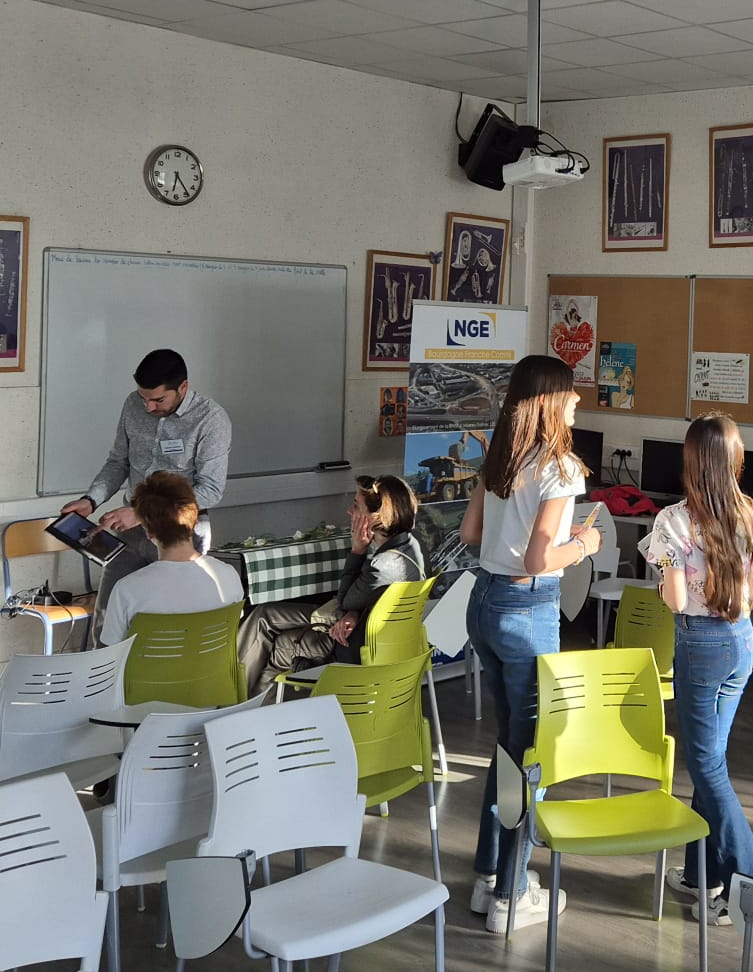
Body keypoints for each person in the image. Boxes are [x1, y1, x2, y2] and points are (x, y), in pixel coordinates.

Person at [460, 354, 600, 933]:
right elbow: (542, 558)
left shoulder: (499, 458)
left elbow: (470, 533)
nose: (578, 401)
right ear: (548, 400)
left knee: (510, 746)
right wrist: (584, 545)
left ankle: (489, 876)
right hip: (528, 609)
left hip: (483, 603)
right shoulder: (561, 467)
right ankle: (512, 897)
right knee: (531, 754)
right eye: (570, 392)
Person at [642, 415, 753, 927]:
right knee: (711, 758)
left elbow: (676, 600)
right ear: (735, 460)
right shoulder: (752, 513)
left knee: (706, 767)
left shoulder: (673, 521)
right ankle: (704, 876)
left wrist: (663, 577)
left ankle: (751, 886)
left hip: (699, 645)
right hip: (742, 641)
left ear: (691, 461)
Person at [61, 348, 232, 607]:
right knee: (109, 610)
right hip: (130, 532)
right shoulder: (133, 404)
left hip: (180, 534)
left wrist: (143, 513)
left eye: (158, 400)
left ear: (183, 387)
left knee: (171, 614)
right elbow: (118, 462)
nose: (148, 407)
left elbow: (210, 490)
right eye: (144, 398)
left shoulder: (211, 419)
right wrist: (91, 500)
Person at [236, 475, 426, 694]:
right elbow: (367, 598)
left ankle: (242, 703)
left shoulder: (382, 566)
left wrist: (358, 550)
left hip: (351, 646)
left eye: (356, 506)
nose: (349, 511)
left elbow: (344, 600)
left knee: (277, 639)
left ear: (375, 518)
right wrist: (355, 612)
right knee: (264, 615)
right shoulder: (414, 547)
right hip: (380, 640)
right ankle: (243, 701)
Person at [97, 472, 237, 647]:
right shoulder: (229, 576)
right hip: (214, 665)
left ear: (148, 532)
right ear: (195, 521)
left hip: (146, 666)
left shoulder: (126, 590)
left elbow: (109, 650)